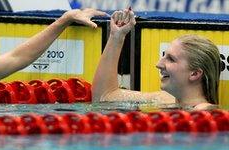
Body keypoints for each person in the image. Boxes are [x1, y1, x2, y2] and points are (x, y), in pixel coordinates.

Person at [91, 8, 220, 110]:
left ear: (195, 73)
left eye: (171, 59)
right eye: (164, 56)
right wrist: (117, 36)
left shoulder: (205, 112)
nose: (159, 64)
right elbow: (104, 98)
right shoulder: (164, 99)